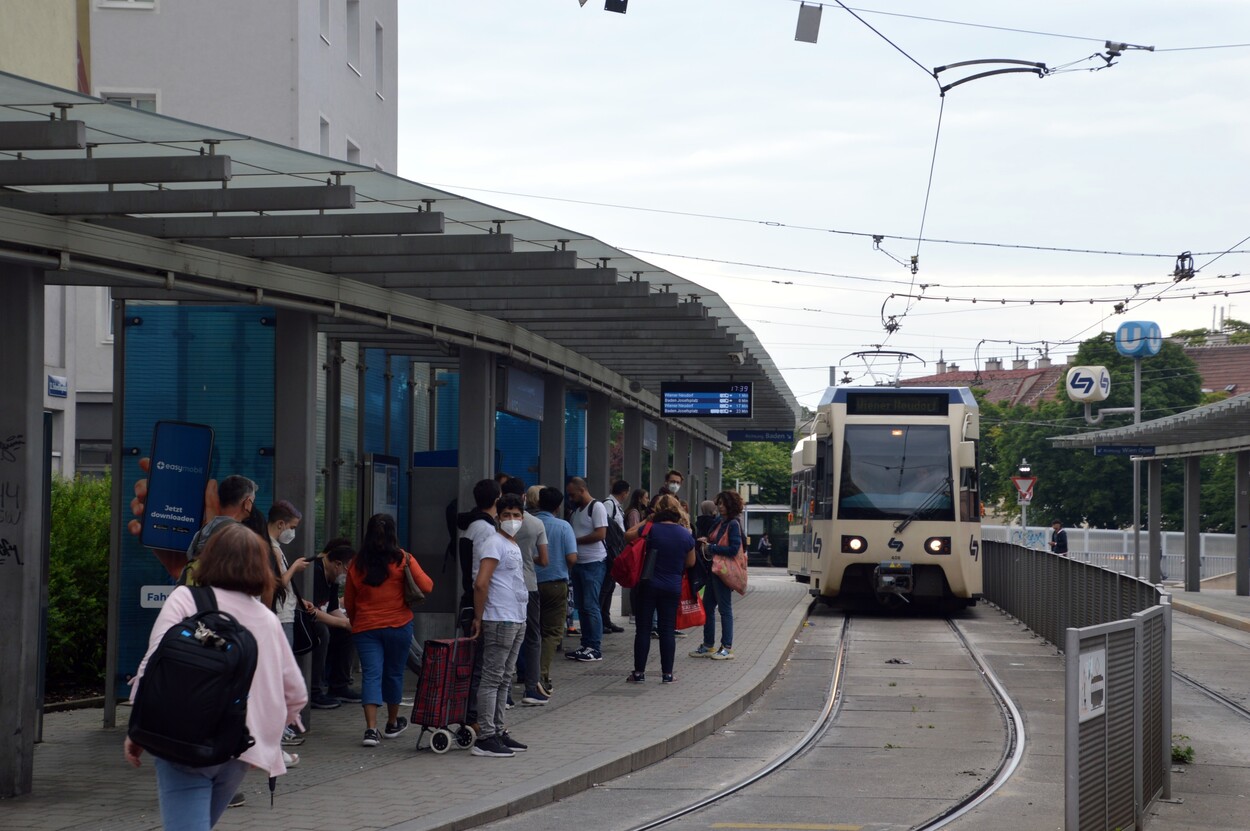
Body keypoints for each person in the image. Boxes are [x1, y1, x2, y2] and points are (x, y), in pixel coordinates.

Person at [124, 523, 306, 829]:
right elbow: (297, 694)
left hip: (181, 738)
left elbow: (153, 663)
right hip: (237, 748)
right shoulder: (267, 619)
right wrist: (269, 731)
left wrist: (138, 728)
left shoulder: (184, 599)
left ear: (209, 558)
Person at [344, 513, 433, 747]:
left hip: (365, 627)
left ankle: (371, 730)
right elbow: (427, 586)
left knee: (371, 675)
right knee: (394, 674)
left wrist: (357, 622)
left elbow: (350, 601)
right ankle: (392, 723)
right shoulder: (403, 559)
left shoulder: (356, 563)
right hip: (399, 625)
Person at [469, 494, 530, 758]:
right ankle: (485, 737)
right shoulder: (494, 543)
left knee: (505, 677)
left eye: (517, 515)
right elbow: (481, 583)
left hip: (517, 617)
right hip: (500, 618)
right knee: (493, 678)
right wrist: (478, 617)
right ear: (498, 517)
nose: (512, 520)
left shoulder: (511, 543)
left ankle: (498, 729)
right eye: (507, 515)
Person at [626, 494, 696, 684]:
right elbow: (691, 562)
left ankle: (639, 673)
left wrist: (646, 521)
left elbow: (628, 535)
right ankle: (667, 674)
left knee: (643, 629)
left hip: (648, 584)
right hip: (672, 587)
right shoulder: (685, 534)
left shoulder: (650, 529)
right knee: (667, 630)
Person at [500, 477, 550, 706]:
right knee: (532, 637)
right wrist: (528, 557)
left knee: (506, 640)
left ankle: (506, 693)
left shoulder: (496, 522)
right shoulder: (535, 524)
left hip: (502, 586)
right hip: (528, 584)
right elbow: (545, 559)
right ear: (523, 496)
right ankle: (532, 687)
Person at [304, 538, 357, 709]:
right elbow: (313, 612)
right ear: (337, 564)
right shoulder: (314, 572)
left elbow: (332, 608)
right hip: (305, 622)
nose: (346, 575)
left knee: (346, 631)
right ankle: (315, 691)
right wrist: (343, 624)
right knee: (322, 631)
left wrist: (350, 623)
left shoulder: (332, 578)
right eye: (347, 570)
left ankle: (339, 686)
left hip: (320, 618)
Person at [533, 486, 576, 695]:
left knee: (531, 630)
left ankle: (525, 670)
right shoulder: (563, 527)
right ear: (558, 506)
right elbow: (572, 558)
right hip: (556, 584)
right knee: (551, 632)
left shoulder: (528, 523)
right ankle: (541, 675)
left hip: (530, 583)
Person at [692, 490, 744, 661]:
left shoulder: (733, 524)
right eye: (718, 503)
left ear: (730, 505)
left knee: (724, 609)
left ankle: (727, 647)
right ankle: (708, 645)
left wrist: (711, 548)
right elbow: (714, 540)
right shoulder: (719, 522)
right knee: (708, 607)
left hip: (723, 572)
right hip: (714, 571)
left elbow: (734, 549)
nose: (719, 506)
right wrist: (706, 541)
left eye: (722, 503)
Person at [565, 477, 608, 662]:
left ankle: (595, 647)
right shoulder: (576, 511)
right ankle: (586, 644)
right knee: (582, 606)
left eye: (573, 494)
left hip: (594, 563)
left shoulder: (596, 507)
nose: (571, 498)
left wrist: (574, 541)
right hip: (579, 564)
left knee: (591, 606)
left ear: (582, 490)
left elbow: (601, 533)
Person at [599, 479, 630, 634]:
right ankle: (601, 620)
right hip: (609, 551)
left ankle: (606, 619)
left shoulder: (616, 506)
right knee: (605, 587)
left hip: (615, 550)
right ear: (624, 492)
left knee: (610, 586)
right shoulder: (609, 505)